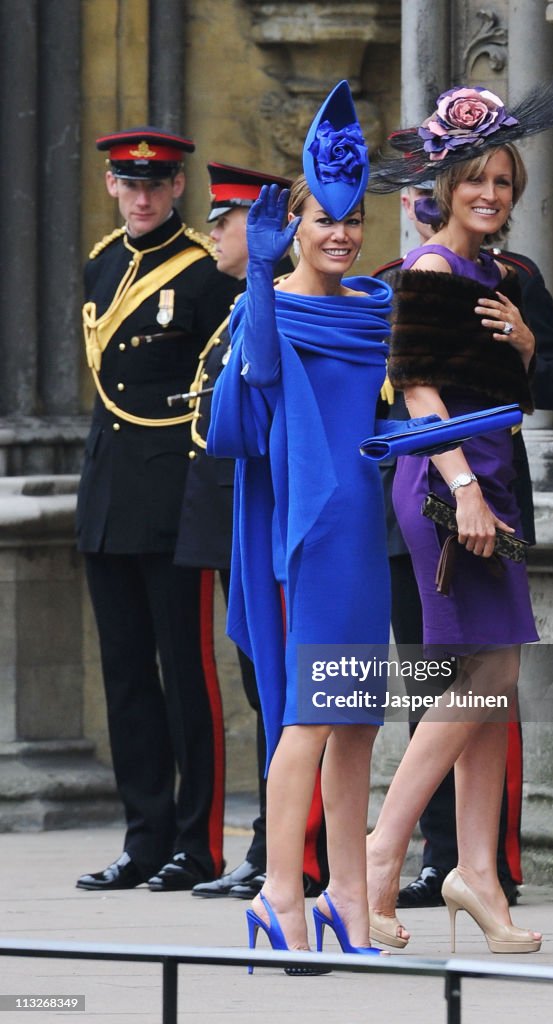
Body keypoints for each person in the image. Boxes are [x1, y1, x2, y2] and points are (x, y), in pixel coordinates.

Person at [365, 81, 553, 952]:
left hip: (487, 473)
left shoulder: (499, 276)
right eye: (473, 181)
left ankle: (477, 877)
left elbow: (517, 389)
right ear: (443, 187)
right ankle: (382, 854)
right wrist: (461, 490)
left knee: (494, 679)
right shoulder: (430, 267)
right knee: (474, 679)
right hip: (445, 481)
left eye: (501, 181)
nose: (487, 194)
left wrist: (528, 349)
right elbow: (417, 386)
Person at [207, 81, 392, 969]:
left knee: (355, 718)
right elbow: (259, 398)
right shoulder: (268, 306)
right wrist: (259, 278)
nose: (342, 234)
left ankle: (347, 898)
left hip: (365, 534)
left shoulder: (375, 309)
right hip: (310, 537)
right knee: (309, 721)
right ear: (293, 222)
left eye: (353, 219)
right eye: (324, 219)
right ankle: (280, 891)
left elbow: (374, 414)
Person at [76, 128, 237, 892]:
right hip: (110, 496)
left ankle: (195, 843)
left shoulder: (207, 277)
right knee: (126, 676)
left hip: (175, 499)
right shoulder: (102, 264)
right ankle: (142, 838)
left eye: (157, 183)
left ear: (178, 189)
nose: (141, 196)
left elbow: (216, 390)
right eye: (128, 182)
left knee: (186, 672)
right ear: (112, 185)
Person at [172, 161, 328, 901]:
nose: (214, 232)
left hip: (293, 519)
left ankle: (295, 853)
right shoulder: (239, 310)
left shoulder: (279, 306)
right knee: (263, 683)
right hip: (242, 516)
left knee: (300, 695)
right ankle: (274, 848)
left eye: (226, 220)